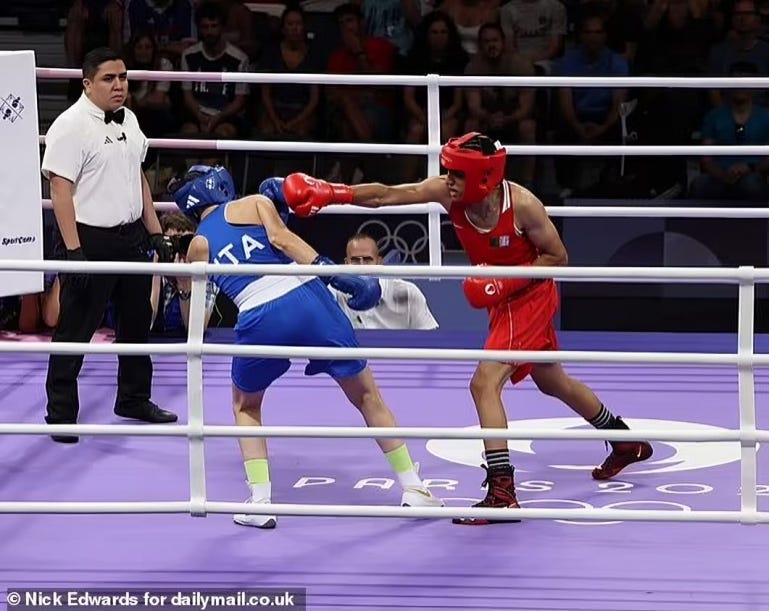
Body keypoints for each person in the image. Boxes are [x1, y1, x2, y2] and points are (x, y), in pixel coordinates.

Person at [282, 131, 654, 525]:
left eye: (457, 173)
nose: (448, 179)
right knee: (552, 381)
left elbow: (557, 258)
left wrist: (504, 279)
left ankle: (502, 493)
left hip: (529, 297)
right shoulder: (447, 192)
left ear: (483, 177)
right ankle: (625, 440)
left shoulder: (524, 205)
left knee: (484, 383)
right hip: (503, 302)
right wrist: (333, 193)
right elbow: (387, 195)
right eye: (448, 172)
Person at [168, 166, 444, 529]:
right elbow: (284, 241)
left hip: (257, 317)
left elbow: (196, 326)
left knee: (245, 406)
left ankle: (261, 501)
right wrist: (337, 276)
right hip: (306, 298)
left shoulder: (197, 246)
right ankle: (414, 488)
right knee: (366, 396)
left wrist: (183, 282)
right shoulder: (252, 203)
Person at [41, 46, 178, 444]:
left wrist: (155, 231)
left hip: (131, 235)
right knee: (75, 328)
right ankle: (61, 413)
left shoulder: (129, 119)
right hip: (89, 238)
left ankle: (134, 399)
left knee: (137, 323)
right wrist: (73, 251)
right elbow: (60, 190)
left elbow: (136, 176)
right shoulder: (70, 125)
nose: (119, 85)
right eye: (109, 78)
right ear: (87, 83)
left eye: (123, 77)